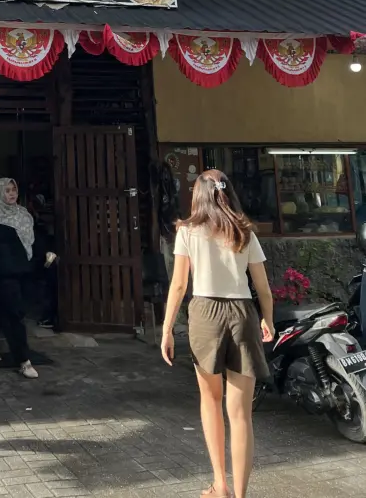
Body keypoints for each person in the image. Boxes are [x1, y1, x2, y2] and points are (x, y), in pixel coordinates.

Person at [161, 169, 274, 498]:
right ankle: (240, 494)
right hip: (242, 314)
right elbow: (263, 287)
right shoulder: (245, 232)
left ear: (198, 195)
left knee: (210, 401)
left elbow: (180, 284)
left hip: (204, 313)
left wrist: (167, 329)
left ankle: (219, 485)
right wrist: (268, 319)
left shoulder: (188, 231)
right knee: (241, 415)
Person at [0, 177, 56, 380]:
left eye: (14, 190)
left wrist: (46, 253)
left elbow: (34, 239)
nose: (11, 194)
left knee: (2, 311)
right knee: (15, 315)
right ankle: (23, 361)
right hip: (1, 273)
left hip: (24, 271)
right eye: (7, 190)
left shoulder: (23, 215)